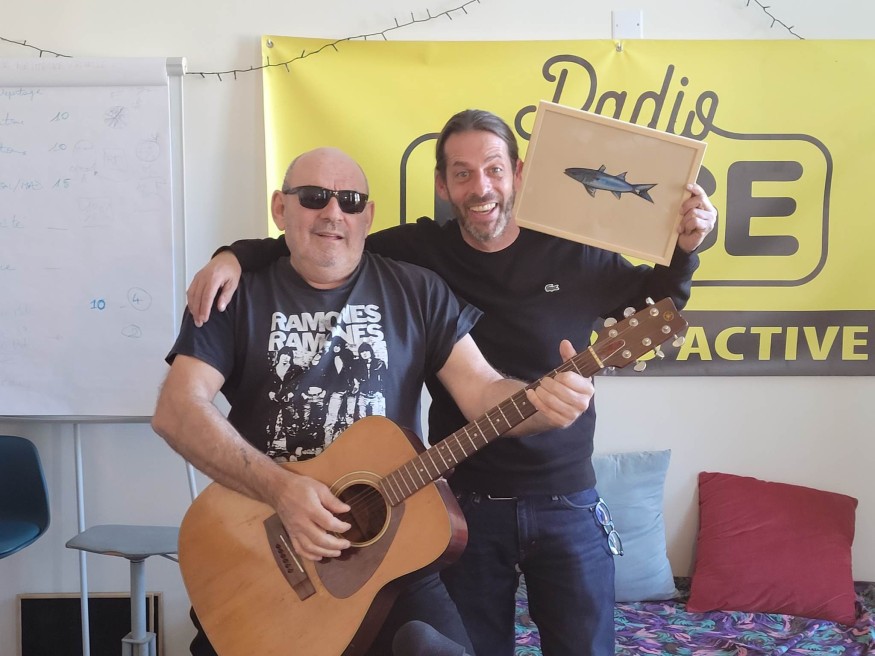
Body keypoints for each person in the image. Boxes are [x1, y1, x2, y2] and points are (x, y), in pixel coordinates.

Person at [186, 111, 717, 656]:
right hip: (457, 502)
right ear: (442, 185)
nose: (480, 187)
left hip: (566, 497)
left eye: (493, 169)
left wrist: (685, 249)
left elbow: (656, 304)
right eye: (462, 173)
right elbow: (328, 238)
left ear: (518, 173)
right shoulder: (419, 255)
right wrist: (234, 255)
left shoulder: (573, 248)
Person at [152, 145, 594, 656]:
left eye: (350, 201)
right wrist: (282, 490)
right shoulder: (234, 293)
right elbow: (177, 410)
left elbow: (482, 390)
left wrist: (541, 402)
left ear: (368, 216)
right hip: (262, 554)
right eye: (313, 197)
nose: (333, 213)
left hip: (389, 559)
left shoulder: (418, 291)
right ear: (280, 208)